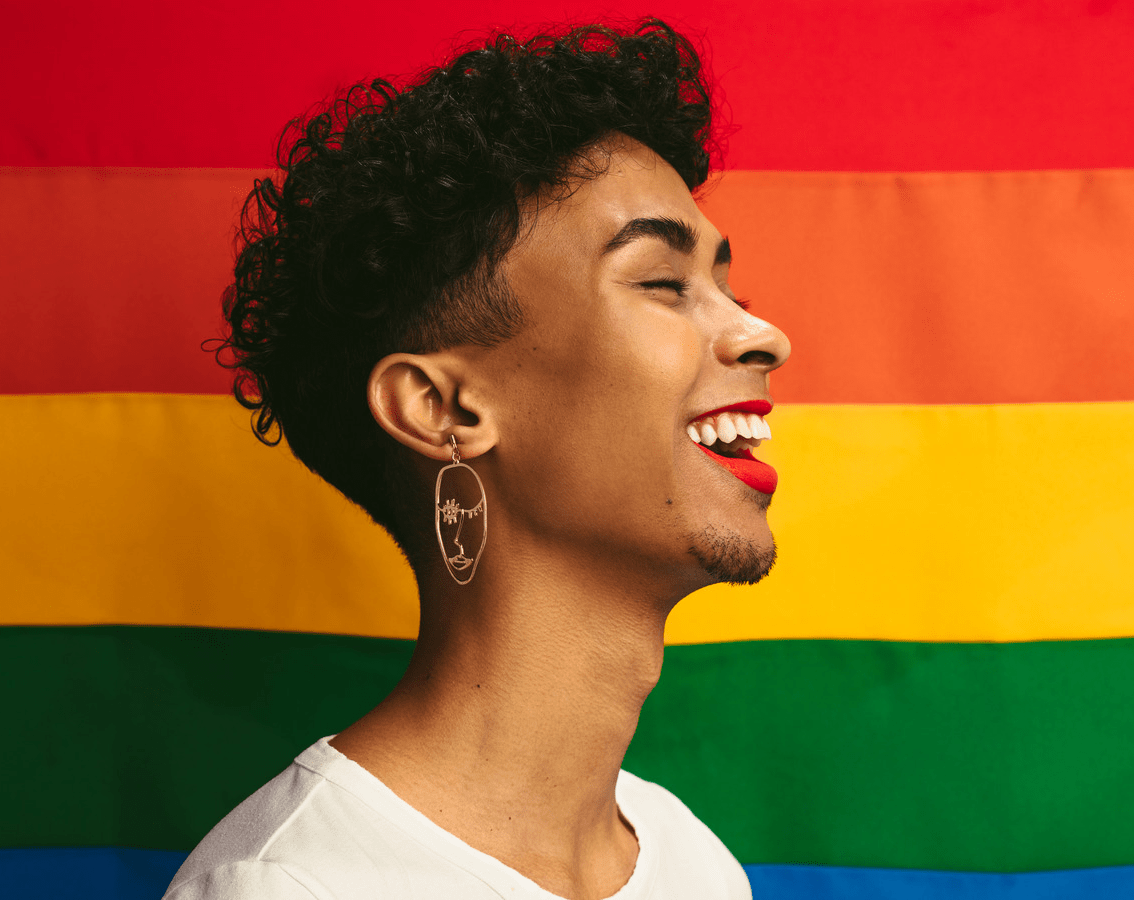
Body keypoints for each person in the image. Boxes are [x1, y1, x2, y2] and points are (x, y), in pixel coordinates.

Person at [165, 18, 790, 900]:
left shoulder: (694, 866)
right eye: (662, 283)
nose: (765, 335)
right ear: (443, 408)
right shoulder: (287, 888)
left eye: (731, 288)